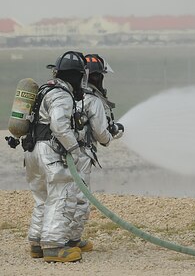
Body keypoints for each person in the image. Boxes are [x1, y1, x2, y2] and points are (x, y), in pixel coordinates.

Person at [24, 51, 88, 263]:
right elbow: (60, 126)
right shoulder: (62, 95)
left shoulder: (45, 90)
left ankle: (36, 242)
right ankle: (53, 247)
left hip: (32, 151)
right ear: (77, 76)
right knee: (59, 195)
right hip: (49, 153)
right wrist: (75, 150)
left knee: (42, 197)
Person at [69, 53, 124, 252]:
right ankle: (71, 241)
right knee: (80, 199)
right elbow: (102, 136)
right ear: (96, 77)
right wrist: (114, 133)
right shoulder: (93, 101)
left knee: (57, 197)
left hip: (58, 154)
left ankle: (40, 240)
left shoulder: (66, 95)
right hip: (81, 155)